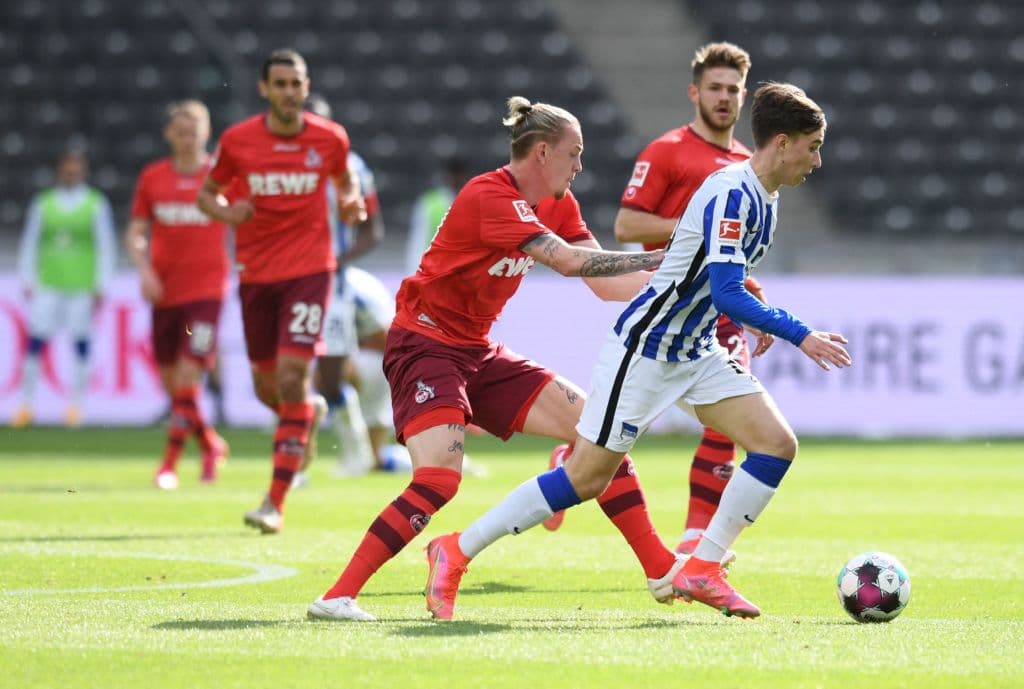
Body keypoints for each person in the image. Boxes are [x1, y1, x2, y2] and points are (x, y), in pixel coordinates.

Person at [426, 82, 851, 620]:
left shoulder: (766, 199)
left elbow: (726, 280)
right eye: (813, 146)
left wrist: (754, 312)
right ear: (784, 143)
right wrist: (798, 333)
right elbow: (724, 290)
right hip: (647, 350)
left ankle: (702, 567)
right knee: (585, 478)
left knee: (775, 444)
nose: (817, 160)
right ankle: (456, 550)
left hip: (695, 350)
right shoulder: (732, 192)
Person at [307, 96, 672, 623]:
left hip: (475, 351)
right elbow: (570, 263)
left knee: (598, 434)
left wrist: (683, 280)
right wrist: (660, 254)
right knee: (439, 481)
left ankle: (661, 568)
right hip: (424, 346)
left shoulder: (558, 203)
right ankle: (337, 596)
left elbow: (608, 284)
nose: (580, 165)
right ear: (543, 152)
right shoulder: (488, 195)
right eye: (575, 153)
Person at [196, 49, 366, 533]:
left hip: (310, 271)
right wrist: (229, 214)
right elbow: (207, 194)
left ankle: (274, 502)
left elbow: (344, 177)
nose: (289, 92)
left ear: (306, 87)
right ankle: (306, 414)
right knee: (268, 388)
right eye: (280, 83)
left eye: (296, 83)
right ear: (264, 89)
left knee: (292, 376)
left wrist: (350, 201)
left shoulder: (329, 138)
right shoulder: (238, 141)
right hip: (255, 276)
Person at [608, 41, 764, 554]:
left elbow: (735, 249)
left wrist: (755, 297)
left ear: (744, 97)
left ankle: (696, 535)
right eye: (715, 88)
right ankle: (571, 457)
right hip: (668, 312)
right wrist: (697, 226)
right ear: (694, 92)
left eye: (733, 90)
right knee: (618, 434)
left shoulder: (748, 161)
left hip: (720, 313)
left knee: (731, 413)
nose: (724, 98)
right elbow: (627, 223)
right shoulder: (667, 151)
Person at [126, 99, 231, 489]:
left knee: (189, 373)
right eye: (181, 132)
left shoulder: (221, 176)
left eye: (195, 132)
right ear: (169, 134)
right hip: (164, 293)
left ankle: (168, 464)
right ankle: (210, 444)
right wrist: (143, 269)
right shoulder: (153, 177)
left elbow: (245, 217)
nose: (188, 140)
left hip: (206, 294)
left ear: (207, 134)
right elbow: (136, 231)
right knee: (174, 386)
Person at [13, 149, 116, 428]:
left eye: (75, 169)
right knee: (35, 342)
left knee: (80, 343)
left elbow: (105, 244)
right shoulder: (43, 203)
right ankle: (25, 405)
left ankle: (75, 407)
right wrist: (27, 277)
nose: (71, 174)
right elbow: (31, 241)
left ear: (83, 172)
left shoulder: (95, 204)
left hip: (81, 287)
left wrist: (102, 283)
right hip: (48, 284)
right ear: (60, 171)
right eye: (67, 169)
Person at [404, 155, 470, 275]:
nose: (458, 179)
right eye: (455, 175)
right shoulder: (429, 203)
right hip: (434, 272)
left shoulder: (474, 202)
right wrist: (413, 274)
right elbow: (418, 241)